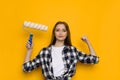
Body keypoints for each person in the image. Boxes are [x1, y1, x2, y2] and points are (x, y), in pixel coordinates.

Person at [22, 21, 99, 80]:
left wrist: (87, 42)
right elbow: (26, 68)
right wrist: (29, 50)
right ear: (54, 33)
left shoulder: (72, 51)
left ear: (67, 33)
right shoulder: (45, 52)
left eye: (64, 30)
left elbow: (94, 59)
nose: (60, 33)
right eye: (57, 30)